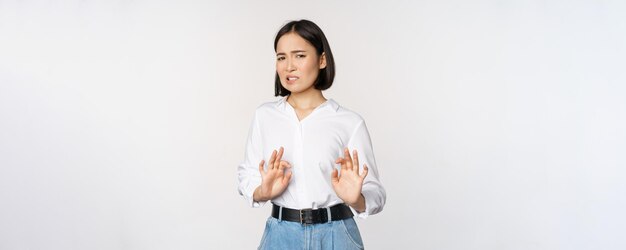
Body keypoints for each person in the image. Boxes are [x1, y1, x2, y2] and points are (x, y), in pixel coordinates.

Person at [237, 19, 386, 250]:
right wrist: (261, 191)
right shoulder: (264, 116)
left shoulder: (349, 122)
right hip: (281, 234)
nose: (289, 66)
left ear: (322, 59)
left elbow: (375, 192)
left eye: (299, 55)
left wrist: (356, 199)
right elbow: (247, 175)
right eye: (281, 57)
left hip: (337, 234)